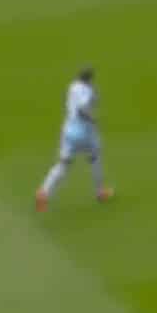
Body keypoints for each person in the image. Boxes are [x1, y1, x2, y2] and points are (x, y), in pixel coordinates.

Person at [35, 67, 112, 211]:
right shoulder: (88, 91)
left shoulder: (72, 86)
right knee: (95, 158)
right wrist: (92, 118)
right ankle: (101, 192)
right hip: (84, 132)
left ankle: (44, 192)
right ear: (90, 79)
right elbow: (82, 109)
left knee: (63, 164)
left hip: (68, 130)